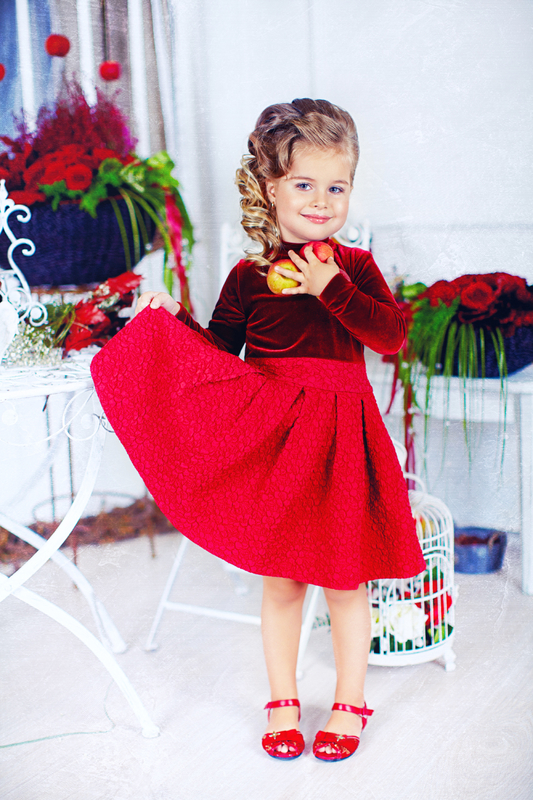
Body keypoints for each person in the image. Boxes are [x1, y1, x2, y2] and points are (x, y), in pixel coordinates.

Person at [90, 98, 426, 762]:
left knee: (345, 580)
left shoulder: (354, 267)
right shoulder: (247, 277)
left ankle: (350, 700)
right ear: (271, 188)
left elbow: (390, 337)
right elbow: (217, 355)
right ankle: (281, 699)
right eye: (304, 184)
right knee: (284, 580)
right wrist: (172, 320)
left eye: (337, 187)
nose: (322, 201)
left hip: (341, 439)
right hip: (277, 441)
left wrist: (332, 287)